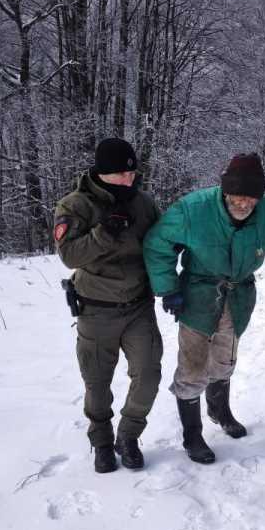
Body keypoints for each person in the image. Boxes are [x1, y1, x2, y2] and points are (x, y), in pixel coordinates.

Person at [143, 152, 265, 463]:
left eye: (251, 198)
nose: (244, 204)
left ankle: (219, 410)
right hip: (198, 295)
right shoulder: (194, 209)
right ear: (225, 191)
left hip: (238, 297)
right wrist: (168, 288)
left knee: (224, 360)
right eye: (237, 196)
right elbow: (158, 243)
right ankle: (192, 435)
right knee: (193, 366)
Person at [54, 138, 162, 474]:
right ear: (101, 173)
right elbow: (69, 255)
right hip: (96, 309)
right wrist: (104, 232)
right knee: (97, 383)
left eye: (132, 173)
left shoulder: (143, 203)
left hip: (138, 306)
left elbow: (161, 244)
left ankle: (128, 437)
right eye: (120, 174)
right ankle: (101, 441)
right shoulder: (75, 206)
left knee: (148, 374)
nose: (129, 180)